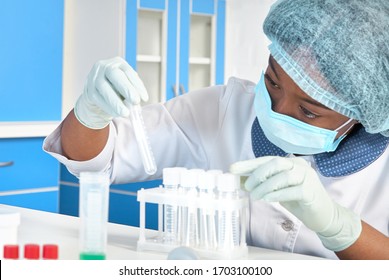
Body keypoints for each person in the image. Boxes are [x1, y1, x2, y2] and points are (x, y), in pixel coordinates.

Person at [43, 0, 389, 259]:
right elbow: (97, 159)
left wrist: (339, 228)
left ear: (362, 114)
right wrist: (90, 114)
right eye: (272, 81)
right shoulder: (224, 109)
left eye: (309, 111)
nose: (277, 110)